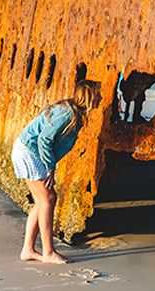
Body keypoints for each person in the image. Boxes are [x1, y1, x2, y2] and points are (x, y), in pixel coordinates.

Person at [12, 80, 101, 264]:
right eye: (98, 94)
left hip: (29, 151)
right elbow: (44, 139)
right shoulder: (68, 113)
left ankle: (28, 249)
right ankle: (48, 252)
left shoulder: (74, 113)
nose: (101, 97)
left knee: (42, 200)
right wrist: (49, 168)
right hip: (28, 152)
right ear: (90, 96)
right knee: (48, 199)